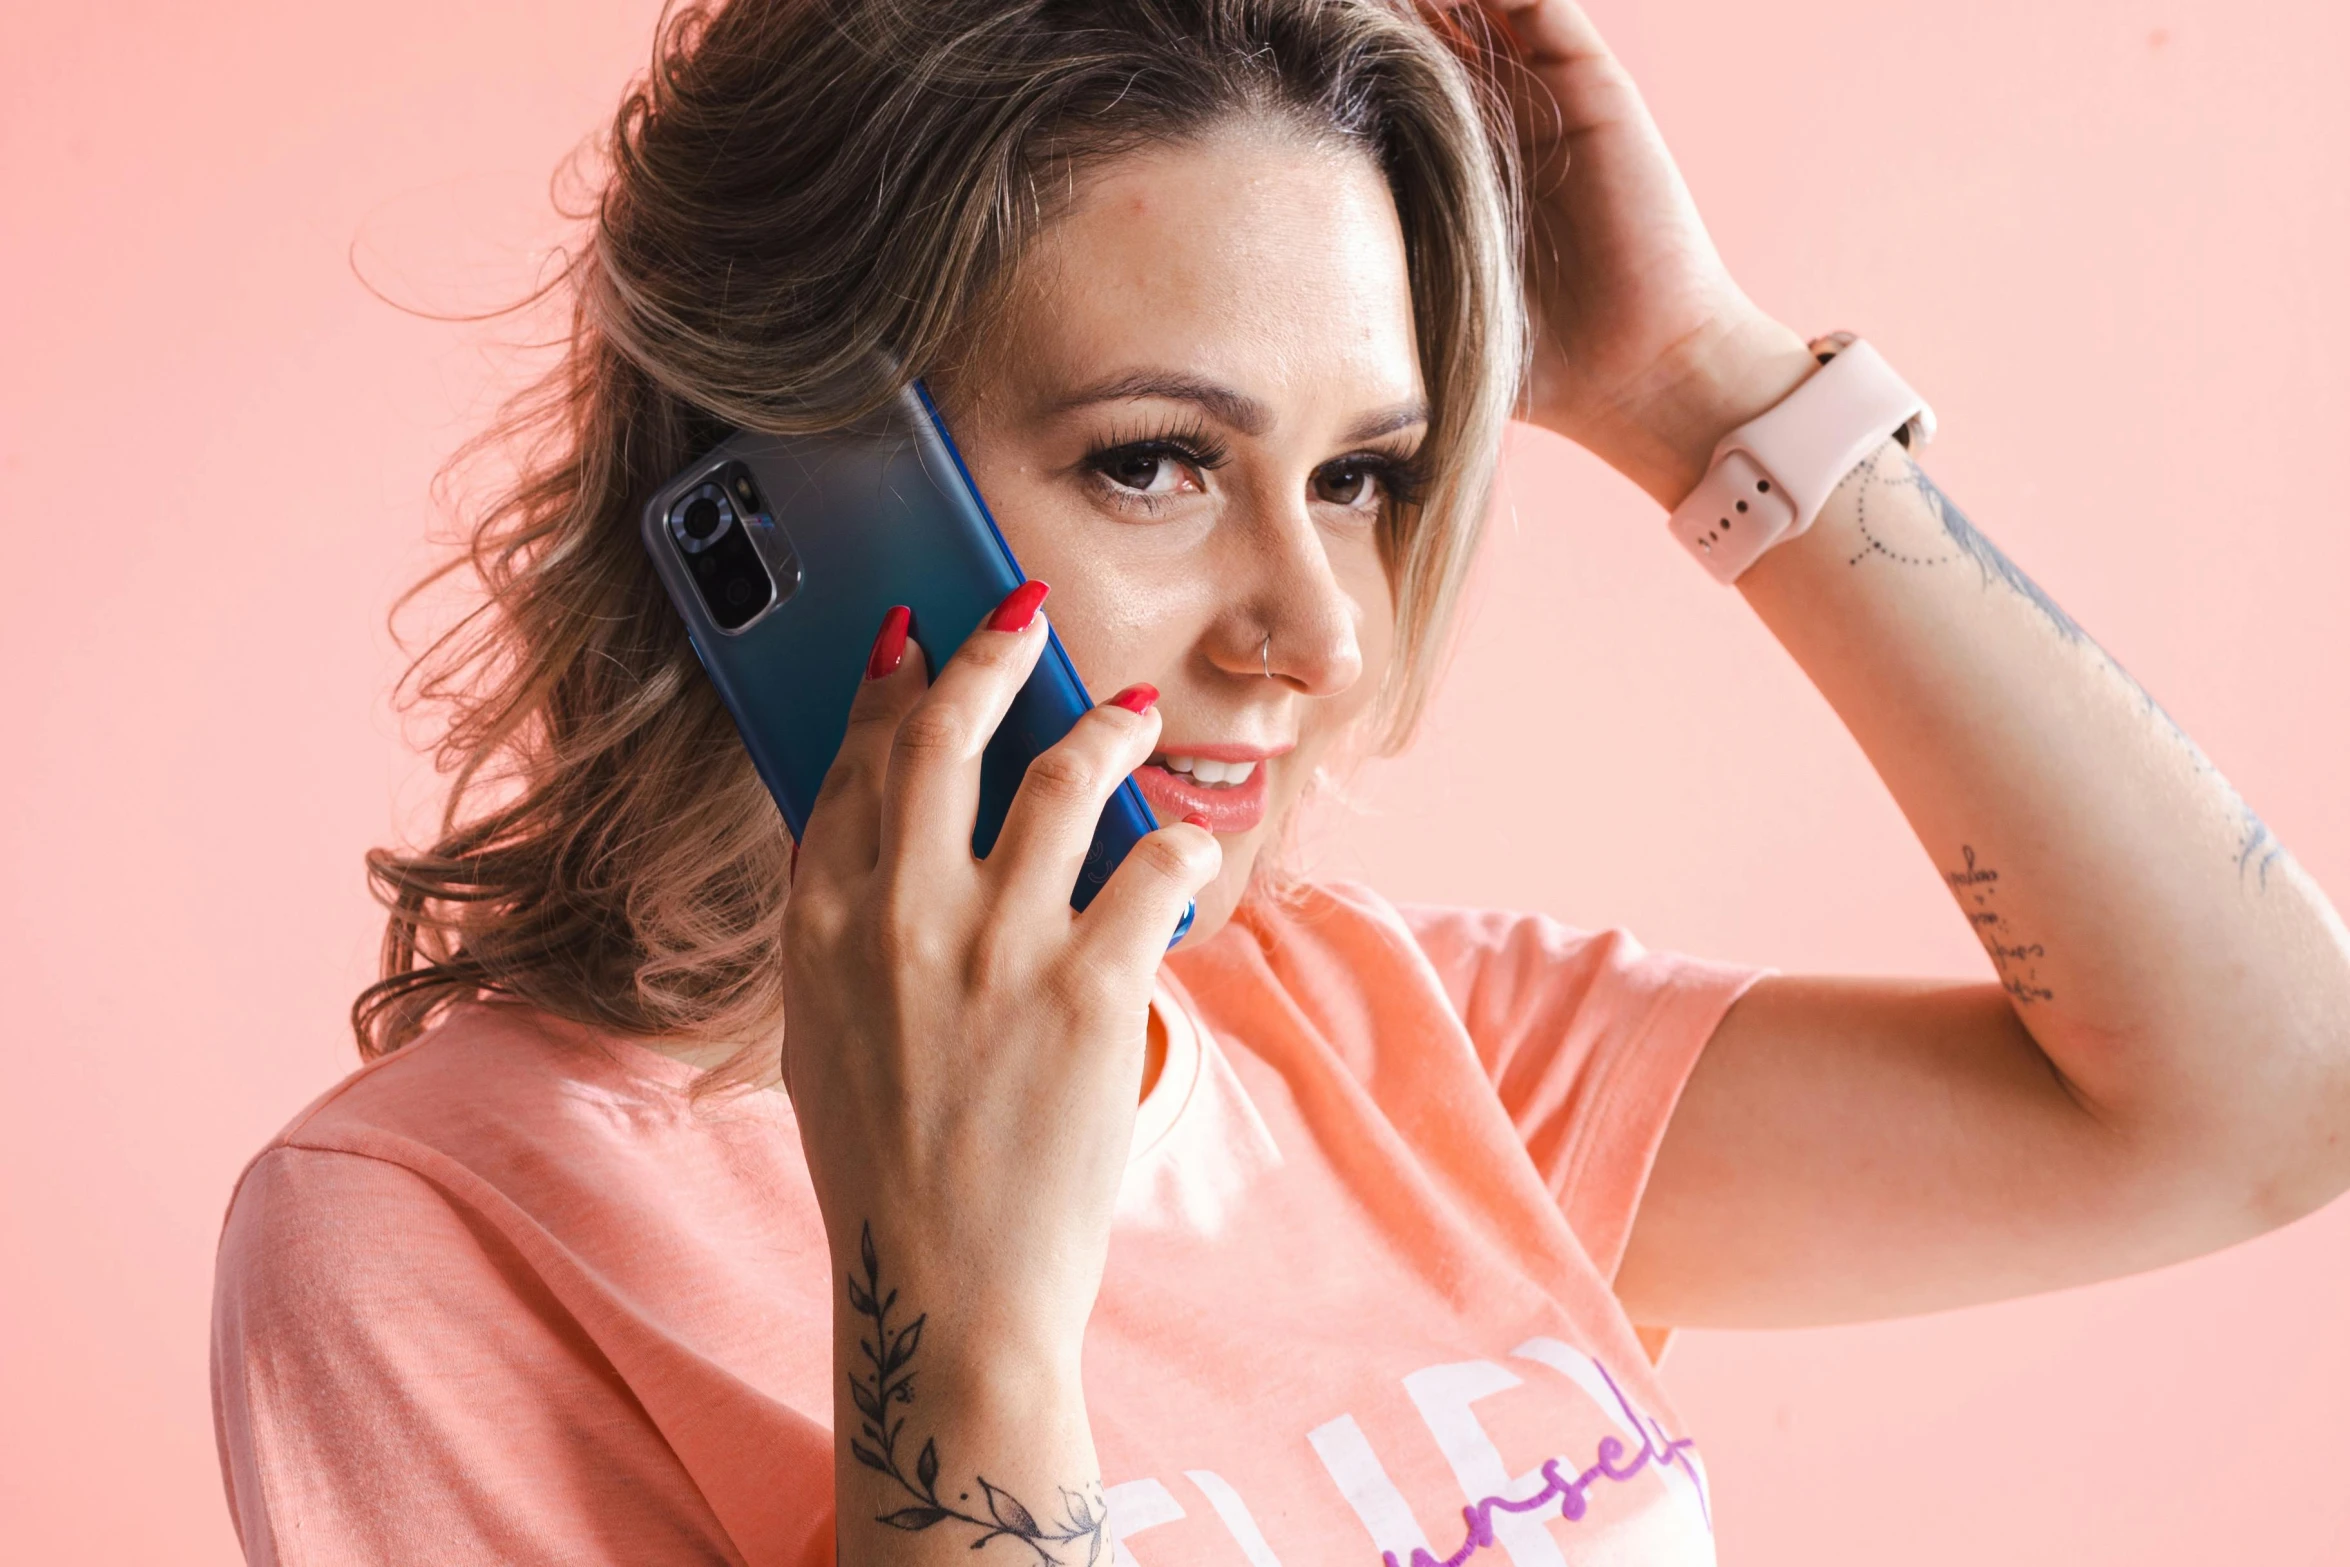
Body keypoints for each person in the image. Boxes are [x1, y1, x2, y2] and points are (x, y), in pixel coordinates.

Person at [210, 2, 2350, 1563]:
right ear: (806, 493)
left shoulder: (1382, 1045)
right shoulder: (439, 1234)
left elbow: (2259, 1099)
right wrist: (955, 1338)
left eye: (1361, 474)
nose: (1317, 636)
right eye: (1154, 461)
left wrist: (1707, 394)